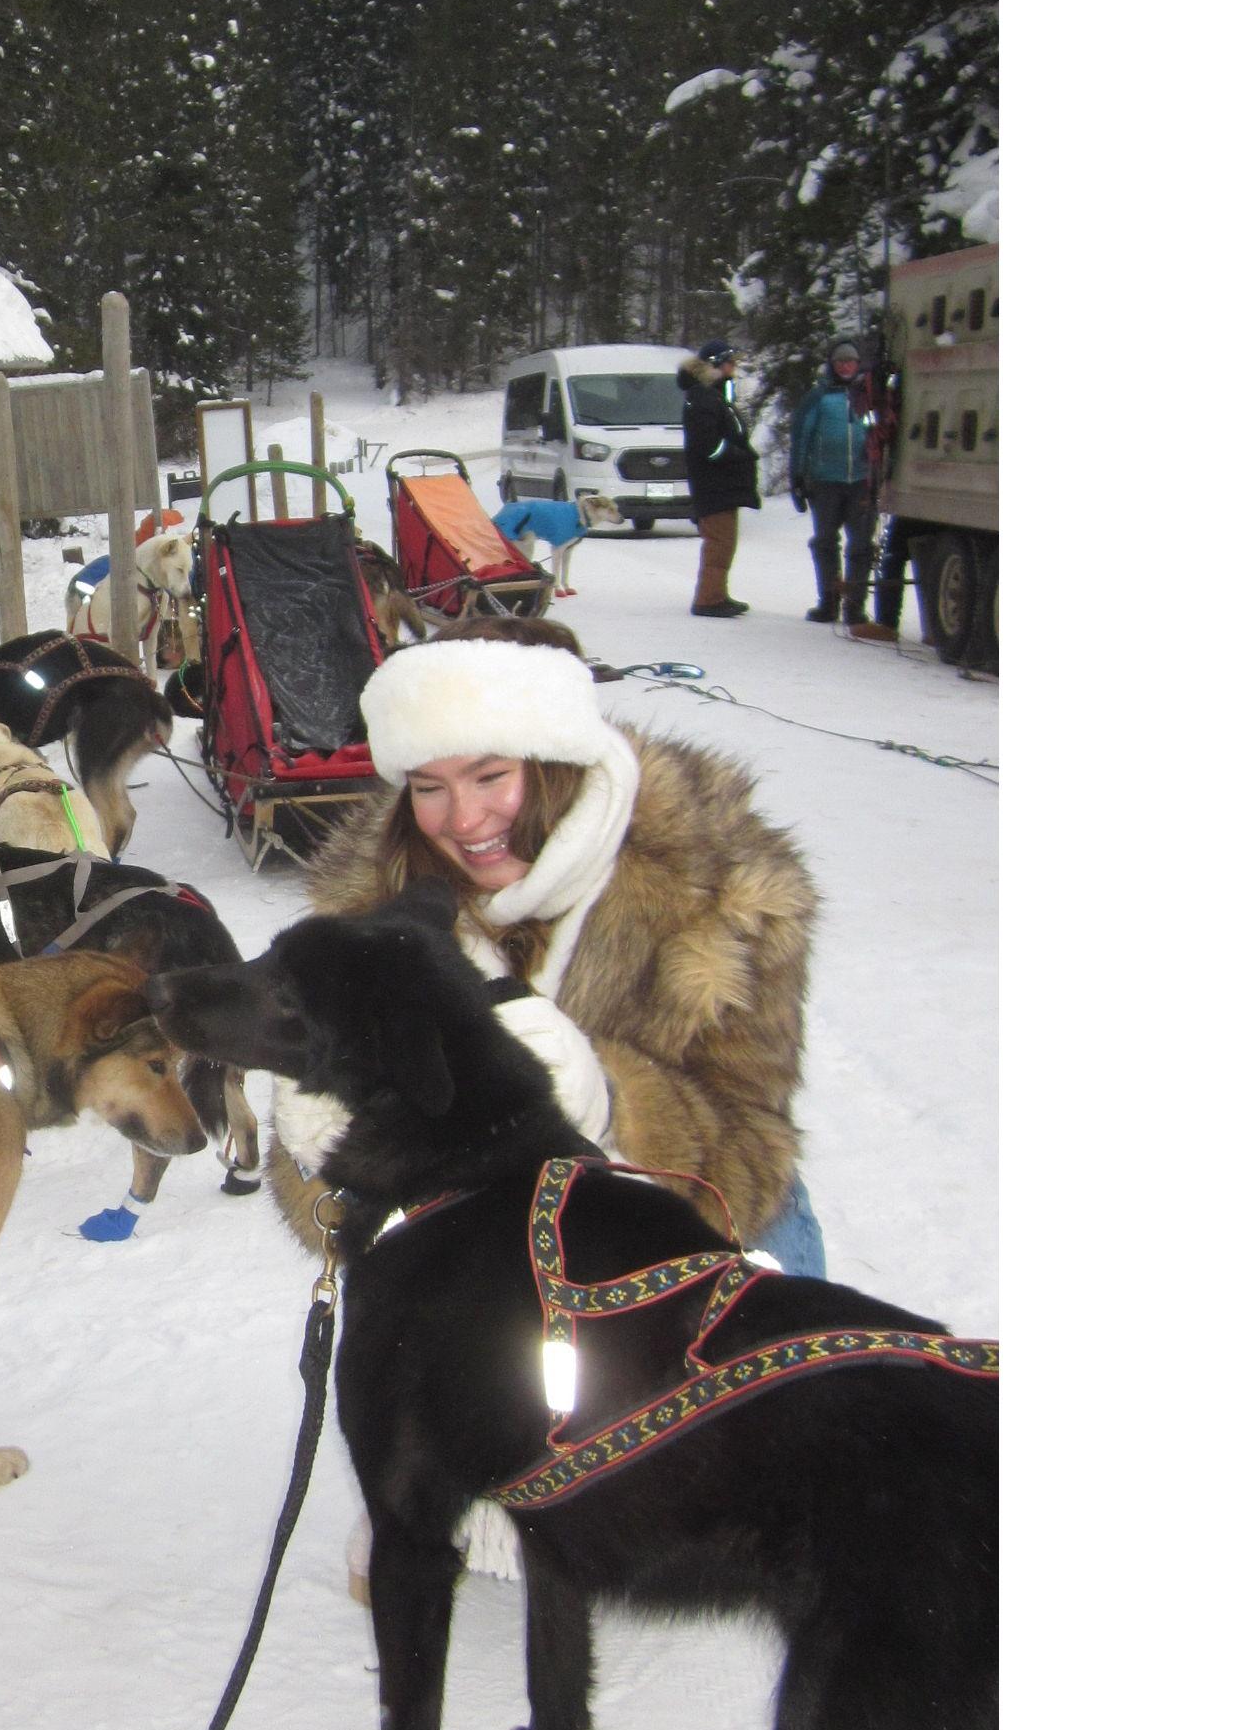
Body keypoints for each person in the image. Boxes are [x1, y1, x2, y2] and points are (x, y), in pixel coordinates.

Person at [271, 618, 824, 1273]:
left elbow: (754, 1156)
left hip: (705, 1261)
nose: (464, 819)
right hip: (494, 1277)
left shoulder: (721, 895)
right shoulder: (372, 909)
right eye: (428, 787)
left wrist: (616, 1102)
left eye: (489, 776)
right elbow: (337, 1220)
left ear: (554, 761)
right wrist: (327, 1159)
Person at [790, 340, 882, 626]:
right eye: (840, 361)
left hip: (862, 482)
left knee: (861, 546)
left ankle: (854, 607)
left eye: (851, 361)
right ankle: (828, 603)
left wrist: (880, 476)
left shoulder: (869, 397)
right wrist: (798, 477)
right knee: (825, 542)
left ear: (858, 364)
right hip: (824, 481)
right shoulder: (818, 397)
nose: (845, 365)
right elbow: (801, 438)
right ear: (832, 364)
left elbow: (883, 435)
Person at [677, 340, 757, 618]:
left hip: (722, 485)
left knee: (725, 542)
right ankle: (708, 599)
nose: (733, 368)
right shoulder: (703, 398)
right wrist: (736, 454)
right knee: (719, 542)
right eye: (728, 363)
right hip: (714, 486)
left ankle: (716, 593)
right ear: (714, 365)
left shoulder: (715, 395)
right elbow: (707, 444)